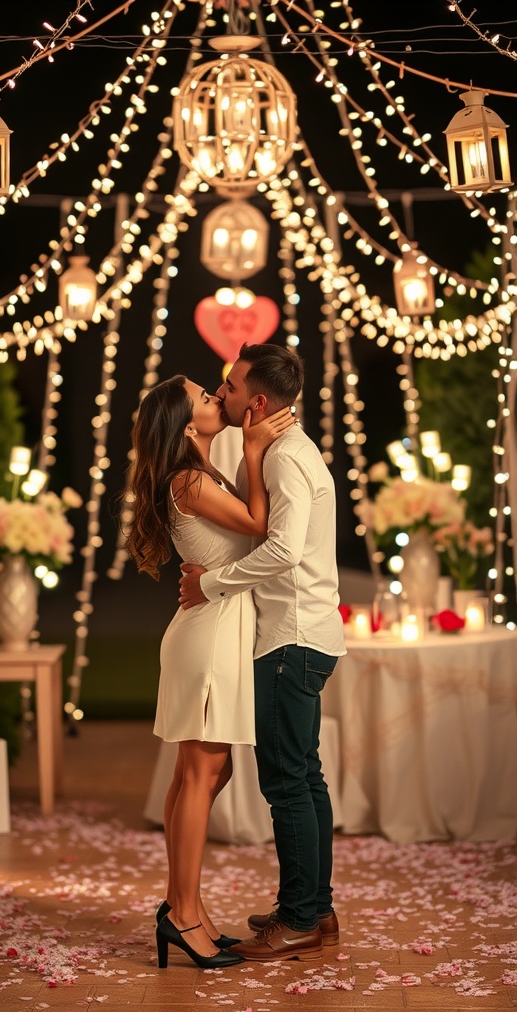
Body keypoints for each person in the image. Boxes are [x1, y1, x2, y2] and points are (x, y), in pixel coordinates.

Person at [179, 344, 346, 963]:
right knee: (306, 776)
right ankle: (315, 908)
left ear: (256, 401)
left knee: (286, 784)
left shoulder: (282, 458)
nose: (220, 393)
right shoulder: (284, 450)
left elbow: (283, 550)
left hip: (291, 637)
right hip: (305, 633)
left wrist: (210, 583)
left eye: (228, 385)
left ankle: (301, 917)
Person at [125, 374, 295, 970]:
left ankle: (183, 904)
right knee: (203, 773)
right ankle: (183, 916)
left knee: (199, 776)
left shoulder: (198, 473)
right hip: (210, 632)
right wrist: (252, 449)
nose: (215, 399)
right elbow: (258, 524)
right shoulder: (191, 479)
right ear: (184, 421)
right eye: (203, 397)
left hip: (213, 628)